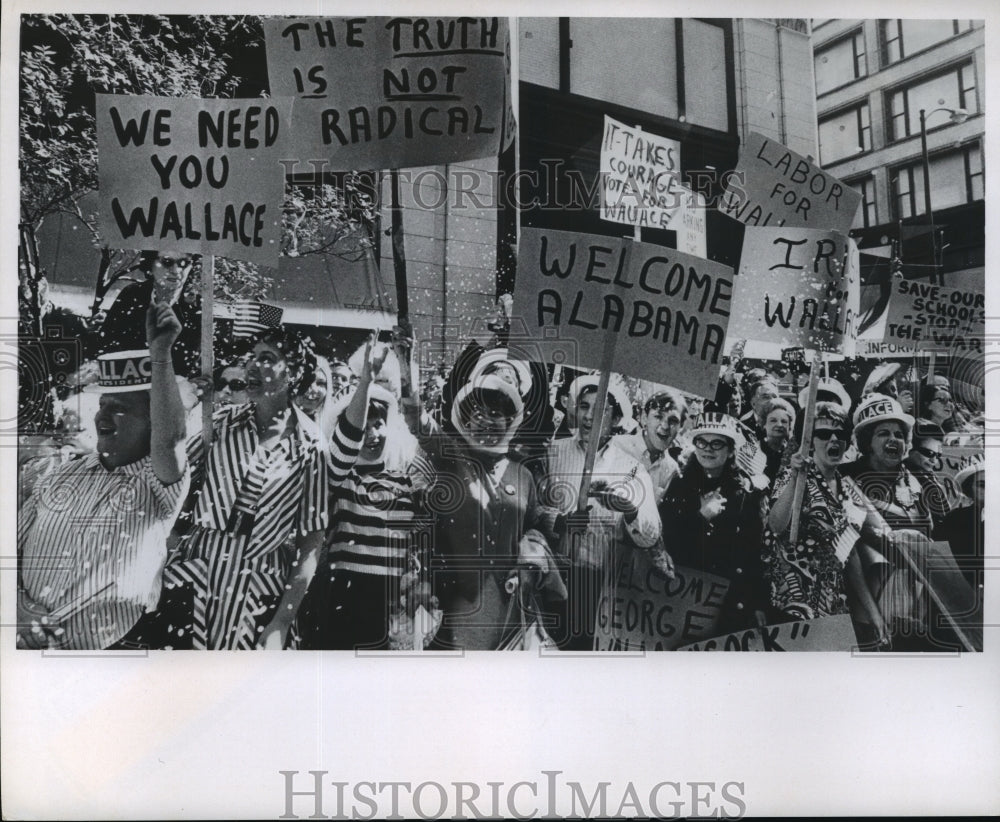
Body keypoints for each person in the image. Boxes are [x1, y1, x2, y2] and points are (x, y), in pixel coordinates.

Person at [17, 304, 189, 649]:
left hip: (99, 661)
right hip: (22, 646)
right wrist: (19, 610)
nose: (102, 416)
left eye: (119, 408)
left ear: (152, 423)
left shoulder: (157, 485)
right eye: (102, 405)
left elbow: (170, 440)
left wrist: (161, 355)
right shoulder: (62, 473)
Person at [151, 327, 329, 650]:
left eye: (267, 358)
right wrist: (185, 407)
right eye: (252, 358)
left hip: (260, 585)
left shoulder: (311, 445)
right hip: (199, 572)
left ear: (294, 373)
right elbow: (169, 475)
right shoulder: (218, 424)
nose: (253, 366)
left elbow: (311, 542)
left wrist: (282, 622)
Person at [297, 343, 433, 650]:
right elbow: (347, 440)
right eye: (364, 427)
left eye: (379, 424)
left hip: (390, 603)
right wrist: (366, 383)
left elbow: (426, 531)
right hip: (341, 596)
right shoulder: (340, 475)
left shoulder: (405, 478)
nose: (371, 435)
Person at [425, 373, 565, 650]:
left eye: (495, 413)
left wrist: (538, 551)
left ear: (509, 422)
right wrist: (407, 376)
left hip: (511, 602)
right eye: (477, 413)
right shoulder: (451, 461)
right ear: (465, 421)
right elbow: (419, 424)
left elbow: (535, 527)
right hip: (459, 603)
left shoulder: (522, 473)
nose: (486, 420)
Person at [545, 374, 661, 650]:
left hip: (602, 587)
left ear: (617, 419)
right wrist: (559, 522)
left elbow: (651, 535)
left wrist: (629, 509)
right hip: (554, 580)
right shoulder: (553, 452)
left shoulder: (631, 469)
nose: (589, 417)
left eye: (601, 410)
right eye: (584, 406)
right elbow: (534, 506)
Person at [762, 402, 889, 646]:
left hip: (833, 602)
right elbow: (776, 525)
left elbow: (848, 555)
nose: (833, 439)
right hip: (792, 604)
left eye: (840, 434)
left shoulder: (849, 490)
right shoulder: (793, 478)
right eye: (823, 433)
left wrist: (873, 611)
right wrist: (794, 480)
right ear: (809, 441)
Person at [660, 413, 771, 633]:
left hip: (730, 602)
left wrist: (758, 603)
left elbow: (754, 553)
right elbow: (667, 542)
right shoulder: (679, 485)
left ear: (731, 451)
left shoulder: (746, 493)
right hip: (686, 598)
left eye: (717, 443)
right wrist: (700, 517)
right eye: (701, 442)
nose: (708, 449)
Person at [97, 251, 202, 378]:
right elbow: (107, 345)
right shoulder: (132, 294)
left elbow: (193, 364)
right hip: (129, 385)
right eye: (167, 262)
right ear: (150, 263)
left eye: (184, 263)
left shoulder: (198, 307)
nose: (176, 270)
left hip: (177, 390)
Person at [612, 388, 686, 506]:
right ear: (644, 418)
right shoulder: (616, 447)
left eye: (673, 421)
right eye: (658, 416)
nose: (665, 426)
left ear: (681, 427)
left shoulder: (672, 470)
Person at [759, 397, 796, 484]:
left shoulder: (793, 453)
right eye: (773, 421)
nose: (779, 425)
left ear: (789, 426)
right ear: (764, 424)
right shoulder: (755, 448)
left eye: (784, 421)